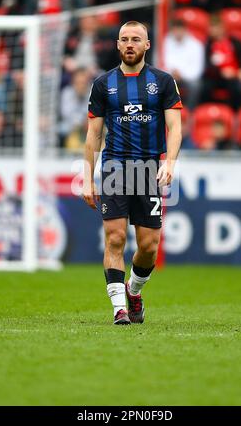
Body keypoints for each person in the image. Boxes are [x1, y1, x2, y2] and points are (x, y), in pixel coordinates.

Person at [83, 21, 182, 325]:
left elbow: (175, 126)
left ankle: (134, 290)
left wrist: (170, 162)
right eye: (124, 39)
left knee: (149, 247)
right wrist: (87, 178)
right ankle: (118, 309)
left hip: (149, 170)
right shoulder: (103, 84)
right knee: (114, 239)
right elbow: (93, 136)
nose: (129, 44)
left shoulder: (163, 82)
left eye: (136, 39)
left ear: (146, 45)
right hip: (114, 168)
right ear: (117, 45)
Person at [164, 19, 205, 111]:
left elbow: (197, 69)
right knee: (158, 83)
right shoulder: (164, 42)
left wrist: (181, 74)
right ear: (172, 30)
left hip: (187, 78)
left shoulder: (196, 44)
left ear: (185, 30)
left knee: (196, 85)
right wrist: (171, 72)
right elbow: (160, 62)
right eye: (176, 30)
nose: (178, 33)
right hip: (169, 75)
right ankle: (166, 110)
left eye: (180, 30)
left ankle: (189, 112)